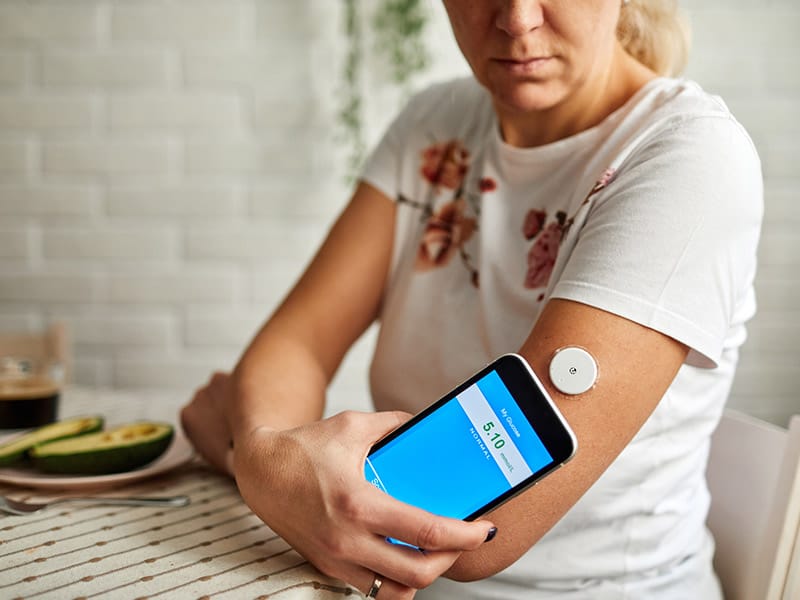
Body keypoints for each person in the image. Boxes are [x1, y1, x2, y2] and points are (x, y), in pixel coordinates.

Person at [180, 0, 763, 598]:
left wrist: (253, 451)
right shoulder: (436, 122)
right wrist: (264, 456)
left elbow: (475, 526)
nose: (516, 20)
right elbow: (296, 345)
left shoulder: (689, 159)